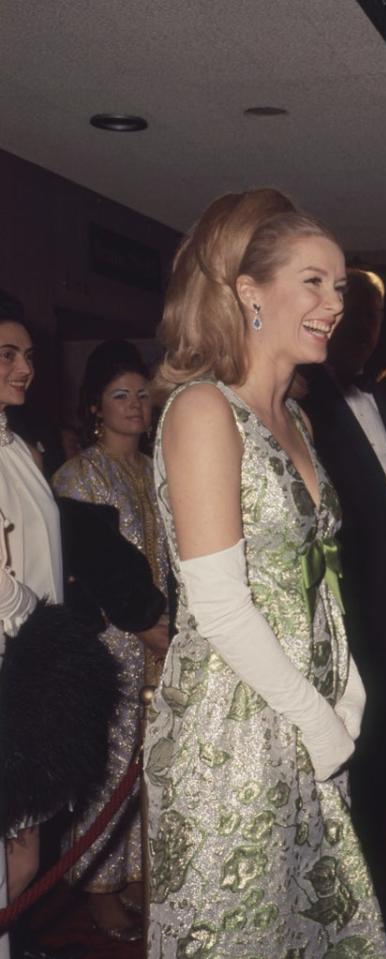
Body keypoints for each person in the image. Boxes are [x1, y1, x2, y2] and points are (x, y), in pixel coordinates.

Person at [145, 189, 386, 957]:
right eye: (313, 281)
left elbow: (316, 576)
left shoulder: (298, 418)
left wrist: (345, 690)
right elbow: (217, 605)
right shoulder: (202, 411)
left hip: (305, 715)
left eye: (340, 285)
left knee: (309, 927)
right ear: (250, 292)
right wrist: (317, 719)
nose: (333, 302)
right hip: (233, 728)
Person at [298, 268, 386, 950]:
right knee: (348, 791)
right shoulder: (300, 395)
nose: (365, 325)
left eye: (374, 315)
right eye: (357, 312)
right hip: (345, 625)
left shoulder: (380, 395)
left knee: (375, 786)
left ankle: (367, 908)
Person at [52, 339, 169, 941]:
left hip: (164, 640)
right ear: (95, 405)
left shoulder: (156, 468)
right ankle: (97, 890)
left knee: (153, 767)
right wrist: (143, 626)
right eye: (120, 395)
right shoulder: (79, 475)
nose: (134, 405)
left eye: (143, 395)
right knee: (110, 767)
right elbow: (88, 570)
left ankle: (139, 877)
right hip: (111, 646)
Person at [0, 314, 57, 959]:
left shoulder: (17, 443)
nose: (26, 368)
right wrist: (36, 616)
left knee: (24, 849)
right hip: (13, 658)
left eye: (29, 354)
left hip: (32, 665)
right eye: (8, 354)